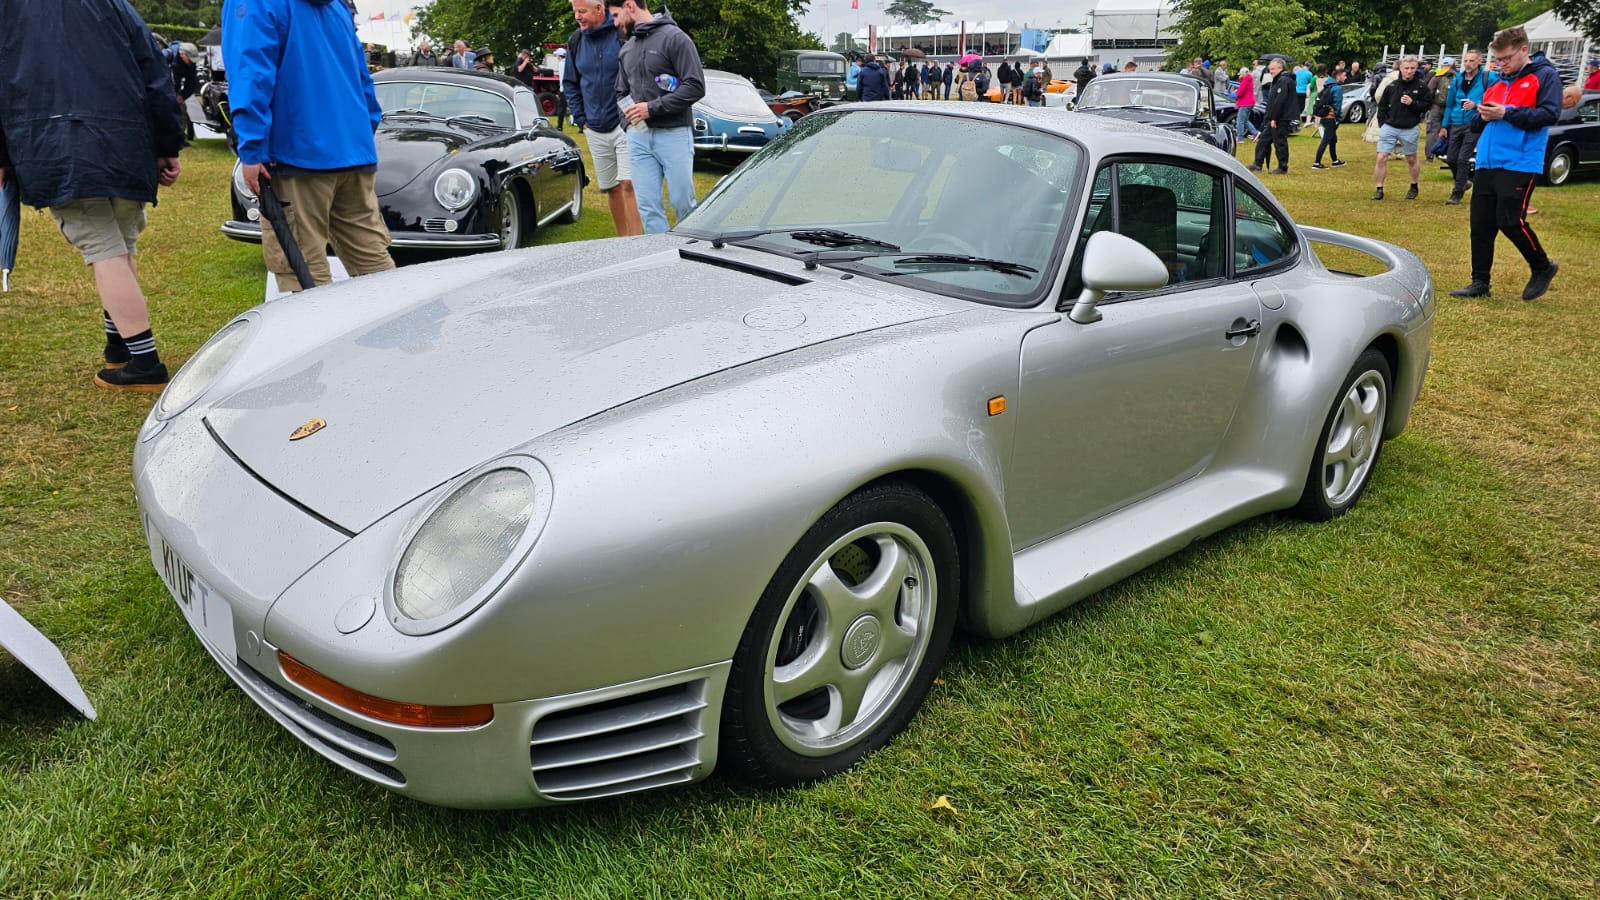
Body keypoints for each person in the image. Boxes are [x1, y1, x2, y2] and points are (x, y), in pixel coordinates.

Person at [0, 0, 183, 392]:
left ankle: (145, 362)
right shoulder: (116, 4)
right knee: (119, 245)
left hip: (56, 141)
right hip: (126, 140)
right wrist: (167, 142)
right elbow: (155, 72)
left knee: (105, 250)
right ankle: (120, 346)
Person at [224, 0, 395, 293]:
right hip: (351, 151)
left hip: (298, 157)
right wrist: (358, 134)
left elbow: (251, 72)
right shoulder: (338, 8)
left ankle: (323, 337)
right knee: (373, 263)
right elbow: (363, 80)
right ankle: (406, 333)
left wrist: (251, 148)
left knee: (304, 274)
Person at [1450, 27, 1561, 301]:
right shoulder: (1497, 82)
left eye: (1507, 58)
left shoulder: (1545, 76)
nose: (1502, 64)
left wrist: (1506, 113)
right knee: (1481, 224)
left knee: (1510, 221)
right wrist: (1482, 115)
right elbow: (1478, 123)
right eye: (1498, 60)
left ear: (1524, 49)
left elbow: (1549, 114)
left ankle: (1542, 266)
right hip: (1488, 160)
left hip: (1521, 161)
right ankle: (1480, 282)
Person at [607, 0, 704, 234]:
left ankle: (691, 256)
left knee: (683, 203)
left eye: (617, 15)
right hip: (638, 139)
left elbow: (695, 86)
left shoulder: (676, 38)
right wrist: (627, 124)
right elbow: (620, 92)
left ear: (630, 5)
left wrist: (651, 109)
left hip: (674, 134)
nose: (616, 23)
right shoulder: (627, 49)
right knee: (648, 207)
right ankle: (661, 260)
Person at [564, 0, 641, 236]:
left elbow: (638, 74)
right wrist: (581, 119)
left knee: (629, 185)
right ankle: (622, 240)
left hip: (625, 124)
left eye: (582, 11)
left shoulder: (623, 32)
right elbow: (570, 83)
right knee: (612, 188)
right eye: (575, 11)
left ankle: (639, 245)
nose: (577, 16)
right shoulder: (576, 41)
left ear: (599, 9)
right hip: (594, 127)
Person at [1371, 55, 1432, 200]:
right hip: (1390, 126)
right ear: (1401, 68)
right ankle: (1379, 189)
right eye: (1406, 68)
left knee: (1411, 158)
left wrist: (1413, 103)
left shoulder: (1421, 86)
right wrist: (1383, 124)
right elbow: (1382, 106)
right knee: (1381, 157)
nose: (1409, 71)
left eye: (1412, 68)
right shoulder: (1392, 86)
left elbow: (1427, 105)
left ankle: (1413, 186)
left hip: (1410, 127)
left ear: (1416, 69)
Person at [1442, 49, 1487, 205]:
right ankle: (1463, 182)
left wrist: (1477, 105)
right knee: (1451, 158)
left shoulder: (1488, 78)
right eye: (1466, 61)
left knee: (1463, 158)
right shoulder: (1457, 79)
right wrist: (1444, 125)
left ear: (1479, 61)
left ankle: (1457, 193)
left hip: (1474, 122)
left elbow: (1496, 98)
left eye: (1472, 61)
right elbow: (1449, 104)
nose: (1468, 64)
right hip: (1456, 121)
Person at [1248, 57, 1295, 173]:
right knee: (1263, 140)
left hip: (1281, 118)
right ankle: (1257, 164)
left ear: (1280, 68)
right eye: (1270, 69)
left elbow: (1280, 100)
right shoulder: (1278, 80)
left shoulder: (1283, 80)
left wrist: (1274, 118)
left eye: (1273, 69)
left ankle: (1283, 167)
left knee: (1280, 142)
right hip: (1274, 117)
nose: (1270, 71)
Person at [1311, 68, 1345, 169]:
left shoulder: (1327, 86)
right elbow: (1337, 106)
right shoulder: (1337, 88)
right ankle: (1316, 163)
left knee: (1333, 139)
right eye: (1344, 75)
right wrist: (1338, 119)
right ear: (1338, 76)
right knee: (1326, 140)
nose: (1345, 77)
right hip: (1331, 118)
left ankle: (1335, 160)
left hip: (1324, 117)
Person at [1424, 57, 1454, 160]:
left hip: (1436, 107)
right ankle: (1446, 153)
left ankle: (1430, 155)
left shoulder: (1437, 76)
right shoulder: (1457, 77)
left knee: (1432, 131)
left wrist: (1430, 105)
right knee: (1449, 131)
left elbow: (1428, 92)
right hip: (1451, 108)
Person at [170, 41, 200, 142]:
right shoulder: (167, 57)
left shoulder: (191, 65)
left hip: (176, 90)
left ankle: (180, 138)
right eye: (190, 59)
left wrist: (183, 96)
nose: (192, 62)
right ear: (182, 54)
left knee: (182, 111)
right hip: (164, 89)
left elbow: (191, 82)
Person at [1234, 63, 1259, 142]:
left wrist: (1236, 91)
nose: (1240, 76)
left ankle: (1240, 138)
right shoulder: (1249, 79)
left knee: (1240, 121)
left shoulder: (1245, 80)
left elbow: (1240, 93)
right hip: (1250, 102)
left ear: (1244, 74)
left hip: (1245, 102)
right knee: (1245, 120)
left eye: (1241, 74)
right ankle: (1255, 133)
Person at [1293, 61, 1314, 125]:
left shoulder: (1297, 72)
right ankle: (1296, 119)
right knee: (1301, 107)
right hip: (1303, 91)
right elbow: (1310, 83)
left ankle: (1295, 119)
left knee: (1295, 105)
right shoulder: (1309, 74)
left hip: (1295, 91)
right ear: (1310, 66)